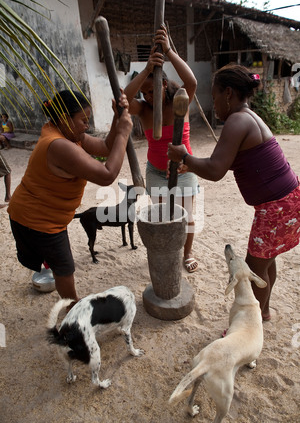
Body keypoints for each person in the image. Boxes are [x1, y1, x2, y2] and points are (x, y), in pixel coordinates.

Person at [168, 63, 300, 321]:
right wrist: (191, 163)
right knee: (266, 260)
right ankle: (264, 312)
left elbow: (216, 170)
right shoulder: (249, 117)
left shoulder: (237, 120)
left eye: (215, 95)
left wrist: (185, 155)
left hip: (277, 207)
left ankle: (255, 320)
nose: (214, 102)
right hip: (287, 200)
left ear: (228, 93)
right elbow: (228, 164)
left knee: (254, 267)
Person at [8, 89, 132, 305]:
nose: (87, 125)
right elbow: (107, 175)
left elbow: (105, 147)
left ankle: (52, 273)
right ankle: (73, 306)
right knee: (65, 267)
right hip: (38, 218)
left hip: (44, 211)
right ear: (66, 119)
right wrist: (123, 134)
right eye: (83, 120)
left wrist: (116, 119)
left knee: (57, 261)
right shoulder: (59, 145)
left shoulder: (67, 133)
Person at [124, 24, 199, 273]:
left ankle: (186, 254)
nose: (147, 96)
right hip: (156, 171)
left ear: (164, 84)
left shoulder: (181, 101)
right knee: (163, 216)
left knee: (187, 218)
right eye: (144, 92)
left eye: (151, 89)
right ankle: (166, 253)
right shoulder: (144, 109)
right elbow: (122, 99)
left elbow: (192, 81)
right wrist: (146, 69)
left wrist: (168, 51)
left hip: (185, 169)